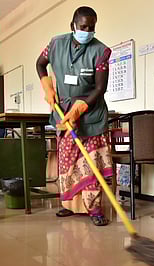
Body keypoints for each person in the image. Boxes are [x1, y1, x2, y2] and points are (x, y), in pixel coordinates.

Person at [36, 6, 113, 226]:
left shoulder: (101, 51)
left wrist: (80, 108)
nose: (87, 30)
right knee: (68, 164)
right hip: (63, 114)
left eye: (92, 27)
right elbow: (40, 64)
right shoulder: (55, 44)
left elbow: (100, 89)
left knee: (91, 164)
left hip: (91, 115)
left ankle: (95, 209)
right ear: (73, 26)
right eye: (83, 26)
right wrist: (47, 86)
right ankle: (70, 205)